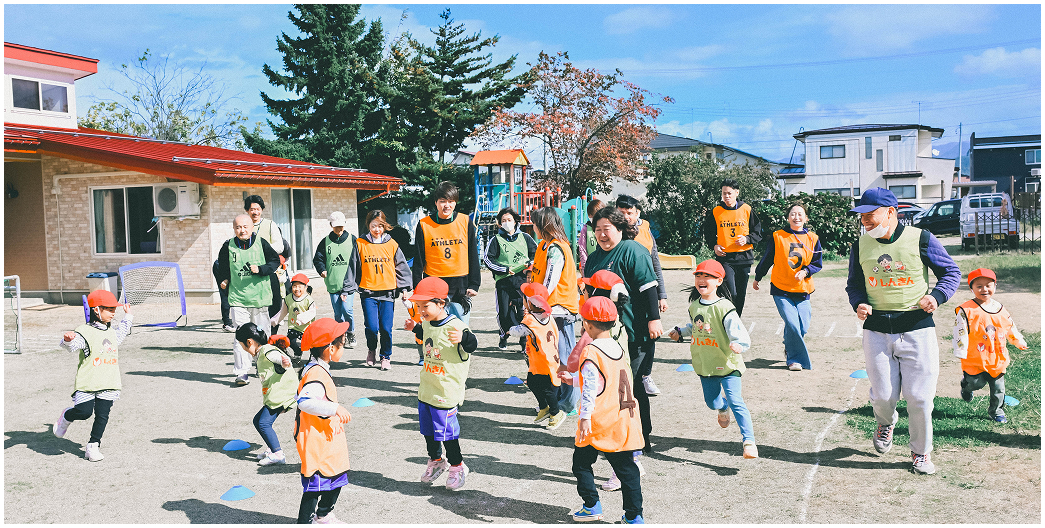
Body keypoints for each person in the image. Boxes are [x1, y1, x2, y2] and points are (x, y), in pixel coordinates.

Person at [845, 187, 961, 475]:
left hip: (916, 327)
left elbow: (951, 272)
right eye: (861, 216)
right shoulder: (860, 245)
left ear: (891, 212)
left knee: (920, 398)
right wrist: (859, 303)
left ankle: (921, 452)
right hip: (877, 331)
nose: (865, 221)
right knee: (884, 397)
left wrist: (937, 296)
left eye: (870, 215)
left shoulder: (921, 238)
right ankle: (886, 422)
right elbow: (854, 284)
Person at [583, 206, 660, 455]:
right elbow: (591, 294)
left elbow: (649, 288)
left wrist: (654, 319)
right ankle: (613, 435)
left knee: (632, 385)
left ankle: (642, 436)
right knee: (608, 387)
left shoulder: (633, 250)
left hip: (634, 331)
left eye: (606, 229)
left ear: (619, 228)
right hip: (605, 336)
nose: (602, 235)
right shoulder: (594, 258)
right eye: (597, 230)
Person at [669, 259, 758, 459]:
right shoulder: (694, 306)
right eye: (699, 275)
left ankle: (749, 442)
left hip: (728, 365)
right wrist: (680, 332)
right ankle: (722, 408)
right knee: (712, 402)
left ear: (719, 281)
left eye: (707, 276)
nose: (702, 279)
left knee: (736, 401)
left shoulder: (725, 307)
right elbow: (695, 327)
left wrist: (739, 344)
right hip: (706, 365)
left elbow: (740, 333)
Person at [570, 296, 645, 524]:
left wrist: (585, 417)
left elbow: (591, 386)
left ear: (587, 324)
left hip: (600, 420)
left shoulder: (591, 351)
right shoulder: (617, 346)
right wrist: (573, 380)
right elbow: (605, 380)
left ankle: (591, 505)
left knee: (581, 464)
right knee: (627, 469)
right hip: (623, 417)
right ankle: (634, 516)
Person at [405, 277, 478, 490]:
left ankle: (457, 465)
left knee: (447, 435)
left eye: (425, 306)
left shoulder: (456, 326)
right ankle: (436, 461)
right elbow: (427, 333)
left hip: (446, 393)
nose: (421, 311)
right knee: (428, 432)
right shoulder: (428, 322)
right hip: (427, 390)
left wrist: (464, 338)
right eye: (418, 306)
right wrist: (415, 328)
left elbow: (472, 344)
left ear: (441, 303)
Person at [53, 290, 133, 462]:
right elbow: (72, 346)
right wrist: (68, 340)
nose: (113, 313)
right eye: (109, 309)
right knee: (84, 412)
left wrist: (128, 316)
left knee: (102, 415)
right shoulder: (84, 331)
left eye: (114, 309)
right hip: (88, 382)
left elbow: (122, 332)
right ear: (96, 310)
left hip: (109, 381)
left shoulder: (111, 332)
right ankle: (67, 416)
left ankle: (93, 446)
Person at [752, 202, 823, 371]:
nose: (796, 217)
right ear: (788, 217)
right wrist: (758, 276)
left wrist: (805, 271)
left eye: (800, 214)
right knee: (792, 323)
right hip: (781, 288)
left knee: (802, 326)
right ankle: (794, 360)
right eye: (793, 214)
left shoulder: (813, 238)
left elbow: (817, 263)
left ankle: (789, 344)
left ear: (806, 218)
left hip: (803, 289)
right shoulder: (778, 236)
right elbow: (767, 259)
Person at [295, 318, 352, 524]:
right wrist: (334, 408)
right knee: (315, 486)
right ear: (330, 348)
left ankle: (323, 515)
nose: (343, 348)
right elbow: (304, 402)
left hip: (326, 439)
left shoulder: (318, 368)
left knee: (336, 477)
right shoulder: (316, 373)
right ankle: (306, 521)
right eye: (342, 345)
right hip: (317, 441)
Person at [954, 268, 1028, 424]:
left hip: (997, 357)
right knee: (975, 383)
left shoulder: (1000, 308)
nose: (984, 289)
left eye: (988, 285)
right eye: (979, 286)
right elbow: (960, 330)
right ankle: (966, 387)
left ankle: (996, 411)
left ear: (995, 286)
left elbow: (1010, 326)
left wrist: (1017, 340)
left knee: (998, 388)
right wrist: (960, 348)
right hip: (975, 357)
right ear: (971, 288)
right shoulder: (967, 310)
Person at [216, 214, 281, 386]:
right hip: (238, 298)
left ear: (252, 228)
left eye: (245, 227)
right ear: (234, 229)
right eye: (238, 227)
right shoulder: (228, 246)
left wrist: (261, 269)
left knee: (262, 335)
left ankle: (263, 366)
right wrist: (224, 279)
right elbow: (222, 266)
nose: (242, 230)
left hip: (260, 297)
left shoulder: (262, 243)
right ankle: (241, 372)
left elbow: (275, 262)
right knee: (241, 336)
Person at [530, 207, 582, 414]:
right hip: (548, 309)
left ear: (544, 225)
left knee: (565, 356)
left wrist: (537, 301)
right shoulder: (543, 245)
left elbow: (549, 282)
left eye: (535, 224)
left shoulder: (556, 248)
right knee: (552, 357)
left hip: (560, 310)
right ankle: (558, 399)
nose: (533, 227)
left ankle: (568, 403)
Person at [616, 194, 668, 396]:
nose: (626, 216)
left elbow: (655, 264)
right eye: (621, 212)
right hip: (624, 294)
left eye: (629, 212)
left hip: (647, 290)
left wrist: (662, 294)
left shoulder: (645, 230)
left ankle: (646, 375)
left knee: (649, 334)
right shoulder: (612, 233)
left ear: (637, 213)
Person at [412, 181, 481, 325]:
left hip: (460, 282)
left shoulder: (465, 221)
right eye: (443, 201)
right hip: (433, 281)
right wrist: (417, 287)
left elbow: (473, 254)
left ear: (455, 203)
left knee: (460, 327)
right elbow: (418, 259)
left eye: (451, 201)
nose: (447, 205)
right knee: (435, 326)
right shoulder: (424, 224)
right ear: (436, 202)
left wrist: (474, 284)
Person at [356, 209, 412, 370]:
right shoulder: (360, 244)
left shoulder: (392, 244)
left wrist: (404, 288)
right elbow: (353, 267)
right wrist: (347, 288)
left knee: (386, 329)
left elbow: (401, 266)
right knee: (372, 328)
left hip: (388, 293)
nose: (377, 229)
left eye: (380, 226)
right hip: (368, 293)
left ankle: (385, 356)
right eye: (374, 225)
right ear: (368, 225)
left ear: (385, 226)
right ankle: (372, 349)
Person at [236, 324, 298, 466]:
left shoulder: (266, 350)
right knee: (257, 420)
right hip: (277, 393)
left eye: (243, 346)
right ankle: (272, 448)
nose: (244, 349)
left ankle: (278, 454)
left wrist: (284, 361)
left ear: (249, 342)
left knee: (264, 423)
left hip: (281, 394)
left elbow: (278, 357)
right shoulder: (261, 351)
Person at [701, 178, 763, 317]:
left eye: (729, 193)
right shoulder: (717, 211)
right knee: (730, 292)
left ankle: (735, 321)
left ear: (736, 193)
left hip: (744, 258)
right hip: (725, 258)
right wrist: (714, 246)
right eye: (724, 193)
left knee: (740, 294)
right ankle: (726, 318)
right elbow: (708, 232)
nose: (727, 196)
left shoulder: (746, 209)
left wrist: (747, 239)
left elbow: (758, 233)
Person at [507, 293, 566, 429]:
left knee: (547, 389)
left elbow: (518, 331)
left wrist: (509, 330)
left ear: (530, 304)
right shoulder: (547, 315)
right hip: (542, 359)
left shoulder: (531, 320)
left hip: (545, 361)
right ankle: (544, 408)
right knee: (532, 382)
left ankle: (556, 413)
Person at [482, 207, 536, 350]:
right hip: (504, 281)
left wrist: (530, 264)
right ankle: (503, 335)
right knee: (504, 313)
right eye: (503, 220)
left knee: (523, 311)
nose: (507, 222)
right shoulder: (496, 240)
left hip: (522, 280)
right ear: (500, 223)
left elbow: (535, 254)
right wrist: (504, 269)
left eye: (509, 220)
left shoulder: (525, 237)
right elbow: (488, 259)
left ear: (515, 221)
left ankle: (524, 342)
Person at [313, 211, 359, 349]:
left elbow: (359, 259)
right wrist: (322, 269)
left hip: (348, 283)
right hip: (333, 282)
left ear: (345, 224)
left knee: (347, 309)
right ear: (331, 225)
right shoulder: (325, 242)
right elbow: (318, 258)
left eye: (341, 226)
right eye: (336, 226)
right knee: (338, 313)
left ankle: (350, 332)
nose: (339, 229)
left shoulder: (352, 239)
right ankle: (340, 335)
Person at [244, 195, 292, 327]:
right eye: (252, 209)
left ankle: (271, 330)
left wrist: (261, 251)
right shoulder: (243, 226)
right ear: (247, 211)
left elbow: (280, 246)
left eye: (258, 209)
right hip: (250, 272)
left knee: (273, 302)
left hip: (269, 270)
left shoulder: (270, 225)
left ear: (262, 210)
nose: (255, 212)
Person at [271, 273, 316, 363]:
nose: (297, 289)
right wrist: (274, 321)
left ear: (305, 287)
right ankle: (298, 352)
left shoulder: (309, 299)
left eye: (300, 287)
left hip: (306, 328)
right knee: (290, 342)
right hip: (293, 326)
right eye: (294, 286)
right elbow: (283, 311)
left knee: (311, 345)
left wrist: (302, 319)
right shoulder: (288, 298)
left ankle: (314, 358)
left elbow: (312, 313)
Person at [577, 198, 605, 271]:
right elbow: (582, 249)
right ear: (589, 215)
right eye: (593, 215)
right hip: (591, 265)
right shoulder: (586, 229)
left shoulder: (607, 228)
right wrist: (585, 267)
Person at [211, 259, 233, 332]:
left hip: (225, 264)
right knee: (225, 294)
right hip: (224, 265)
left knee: (226, 294)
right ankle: (227, 324)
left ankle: (227, 323)